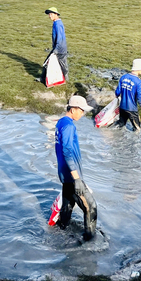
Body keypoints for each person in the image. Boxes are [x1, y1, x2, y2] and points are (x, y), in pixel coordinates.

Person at [55, 95, 97, 241]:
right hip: (72, 176)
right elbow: (66, 151)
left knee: (67, 206)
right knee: (90, 207)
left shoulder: (61, 122)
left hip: (64, 174)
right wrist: (77, 178)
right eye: (81, 110)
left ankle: (59, 233)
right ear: (73, 109)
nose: (83, 114)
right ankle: (89, 243)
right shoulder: (69, 126)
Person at [115, 59, 141, 131]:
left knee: (120, 125)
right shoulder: (138, 82)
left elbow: (117, 92)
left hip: (122, 107)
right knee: (137, 129)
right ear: (139, 69)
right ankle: (134, 142)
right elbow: (140, 98)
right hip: (132, 109)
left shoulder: (123, 77)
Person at [43, 7, 69, 80]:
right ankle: (43, 78)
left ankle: (66, 80)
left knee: (62, 66)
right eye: (49, 14)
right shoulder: (56, 23)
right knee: (58, 64)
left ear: (56, 14)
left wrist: (56, 49)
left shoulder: (57, 24)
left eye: (51, 14)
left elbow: (60, 38)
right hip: (58, 48)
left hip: (60, 48)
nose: (50, 16)